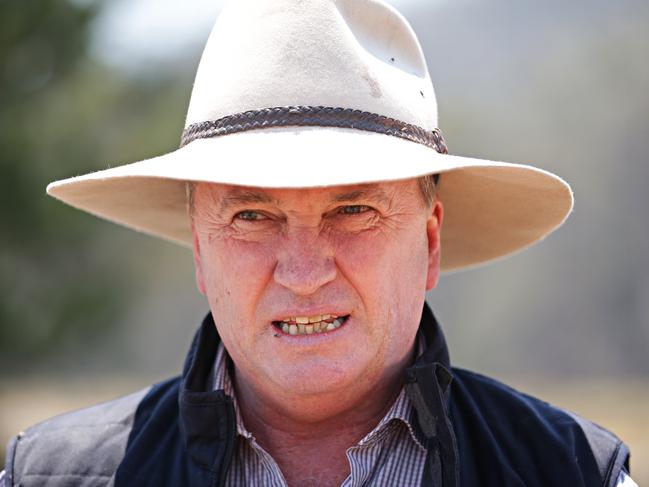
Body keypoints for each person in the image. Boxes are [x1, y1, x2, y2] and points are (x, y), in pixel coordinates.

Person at [2, 0, 635, 485]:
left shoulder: (576, 470)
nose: (304, 273)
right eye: (252, 215)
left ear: (430, 243)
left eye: (353, 209)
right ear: (200, 250)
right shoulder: (49, 475)